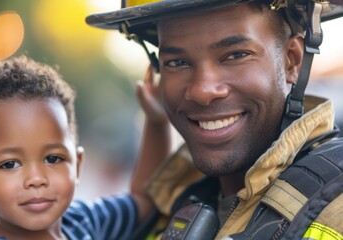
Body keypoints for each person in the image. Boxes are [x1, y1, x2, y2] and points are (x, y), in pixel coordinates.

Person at [86, 0, 343, 239]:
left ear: (292, 61)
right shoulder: (171, 206)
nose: (202, 91)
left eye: (235, 55)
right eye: (177, 62)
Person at [0, 55, 171, 240]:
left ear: (77, 165)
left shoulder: (82, 222)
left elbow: (147, 199)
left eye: (53, 159)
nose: (37, 179)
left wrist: (156, 120)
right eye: (10, 164)